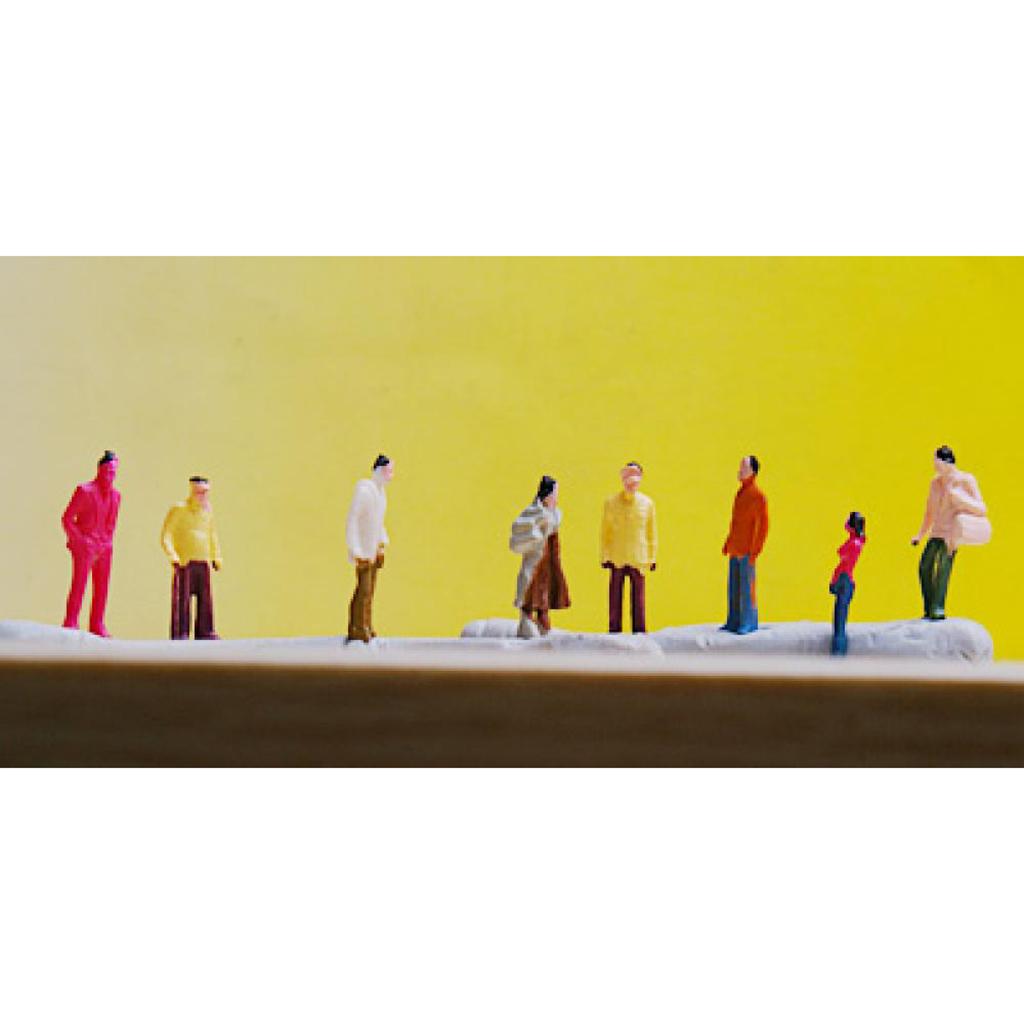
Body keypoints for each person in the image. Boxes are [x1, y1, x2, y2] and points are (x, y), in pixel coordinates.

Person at [911, 446, 990, 620]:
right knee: (924, 567)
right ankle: (928, 607)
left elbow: (981, 509)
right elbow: (929, 512)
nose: (934, 466)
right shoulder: (935, 483)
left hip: (951, 534)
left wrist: (961, 499)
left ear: (946, 462)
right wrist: (920, 534)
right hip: (936, 532)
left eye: (937, 462)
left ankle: (937, 608)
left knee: (943, 570)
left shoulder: (966, 480)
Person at [61, 450, 121, 636]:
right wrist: (81, 541)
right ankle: (71, 620)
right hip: (86, 547)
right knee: (79, 584)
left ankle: (97, 623)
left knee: (102, 588)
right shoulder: (85, 491)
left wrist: (107, 541)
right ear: (100, 469)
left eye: (114, 472)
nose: (111, 476)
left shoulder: (116, 496)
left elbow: (112, 523)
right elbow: (67, 519)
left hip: (104, 548)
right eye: (108, 471)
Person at [161, 476, 222, 640]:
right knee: (182, 600)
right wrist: (173, 555)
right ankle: (180, 632)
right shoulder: (179, 509)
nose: (202, 496)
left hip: (204, 561)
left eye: (205, 493)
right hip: (185, 562)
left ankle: (205, 631)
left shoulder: (207, 512)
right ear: (192, 491)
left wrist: (216, 556)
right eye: (199, 492)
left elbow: (212, 535)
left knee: (206, 600)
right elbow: (167, 534)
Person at [510, 475, 570, 637]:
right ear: (546, 495)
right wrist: (537, 534)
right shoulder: (534, 513)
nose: (556, 497)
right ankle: (526, 622)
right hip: (536, 560)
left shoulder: (555, 513)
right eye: (554, 494)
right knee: (530, 592)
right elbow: (522, 531)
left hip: (549, 560)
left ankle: (543, 622)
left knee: (546, 592)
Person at [600, 462, 657, 633]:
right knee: (615, 597)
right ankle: (614, 631)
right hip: (617, 556)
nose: (631, 481)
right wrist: (604, 555)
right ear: (622, 478)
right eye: (627, 476)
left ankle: (639, 632)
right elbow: (605, 532)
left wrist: (652, 557)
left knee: (638, 599)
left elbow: (651, 532)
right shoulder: (611, 503)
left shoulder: (647, 503)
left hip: (639, 558)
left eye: (635, 476)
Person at [345, 454, 393, 642]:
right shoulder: (365, 493)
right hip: (364, 552)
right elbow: (352, 521)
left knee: (370, 592)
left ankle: (366, 624)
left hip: (373, 551)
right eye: (388, 471)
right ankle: (356, 627)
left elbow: (378, 523)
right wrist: (355, 550)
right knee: (363, 591)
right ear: (379, 471)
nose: (390, 476)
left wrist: (382, 544)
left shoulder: (381, 495)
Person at [721, 455, 769, 634]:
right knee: (733, 588)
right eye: (740, 466)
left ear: (753, 472)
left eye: (744, 467)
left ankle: (749, 621)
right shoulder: (740, 494)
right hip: (735, 549)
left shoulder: (758, 496)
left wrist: (755, 551)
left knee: (747, 589)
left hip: (747, 551)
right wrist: (728, 541)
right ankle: (733, 619)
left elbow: (762, 526)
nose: (740, 470)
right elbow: (735, 522)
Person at [829, 512, 866, 656]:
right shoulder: (857, 542)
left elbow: (841, 557)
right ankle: (838, 649)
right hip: (845, 580)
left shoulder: (853, 544)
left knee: (839, 621)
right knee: (839, 620)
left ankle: (838, 651)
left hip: (844, 580)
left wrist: (834, 582)